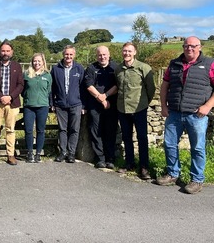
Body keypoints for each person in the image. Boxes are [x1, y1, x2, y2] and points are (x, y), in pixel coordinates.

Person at [156, 36, 214, 194]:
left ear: (200, 47)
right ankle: (172, 173)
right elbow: (165, 86)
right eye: (186, 46)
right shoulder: (174, 64)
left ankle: (197, 179)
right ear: (183, 47)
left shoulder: (209, 64)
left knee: (197, 148)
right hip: (174, 113)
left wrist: (208, 106)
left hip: (197, 115)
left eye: (193, 46)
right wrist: (163, 105)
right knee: (169, 144)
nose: (189, 49)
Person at [115, 42, 155, 180]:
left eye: (129, 51)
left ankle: (144, 167)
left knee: (142, 138)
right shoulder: (118, 69)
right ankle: (129, 163)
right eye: (125, 51)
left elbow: (151, 89)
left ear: (135, 52)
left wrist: (145, 103)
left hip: (139, 109)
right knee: (126, 137)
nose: (127, 53)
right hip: (122, 108)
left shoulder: (143, 68)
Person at [0, 40, 24, 166]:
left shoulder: (17, 66)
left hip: (12, 103)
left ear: (11, 52)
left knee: (10, 130)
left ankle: (10, 155)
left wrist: (10, 97)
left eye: (8, 50)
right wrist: (1, 97)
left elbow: (20, 84)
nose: (5, 53)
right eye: (3, 50)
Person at [84, 46, 118, 169]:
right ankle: (100, 158)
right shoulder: (91, 68)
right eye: (99, 55)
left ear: (109, 54)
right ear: (96, 56)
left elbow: (118, 85)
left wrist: (106, 96)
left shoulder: (115, 67)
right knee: (95, 131)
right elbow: (88, 85)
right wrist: (100, 97)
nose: (102, 57)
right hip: (94, 104)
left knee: (110, 131)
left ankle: (110, 158)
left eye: (104, 54)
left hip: (112, 104)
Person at [50, 45, 86, 163]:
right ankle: (63, 152)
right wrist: (52, 103)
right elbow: (52, 88)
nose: (68, 56)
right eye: (66, 54)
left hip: (76, 104)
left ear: (74, 55)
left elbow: (83, 88)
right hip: (60, 105)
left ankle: (71, 153)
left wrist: (84, 105)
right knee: (62, 129)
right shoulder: (56, 69)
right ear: (63, 55)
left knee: (74, 129)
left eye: (71, 54)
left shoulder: (79, 68)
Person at [22, 53, 52, 163]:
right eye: (35, 61)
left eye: (39, 61)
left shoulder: (47, 75)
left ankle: (38, 153)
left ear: (43, 62)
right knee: (28, 130)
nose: (37, 63)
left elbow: (48, 90)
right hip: (29, 106)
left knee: (40, 130)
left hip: (43, 106)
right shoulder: (26, 74)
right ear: (32, 62)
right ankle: (30, 152)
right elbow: (23, 90)